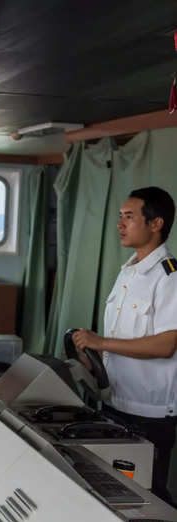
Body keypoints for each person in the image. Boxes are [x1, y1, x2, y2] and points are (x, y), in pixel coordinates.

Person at [72, 186, 177, 504]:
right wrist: (95, 358)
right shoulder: (128, 272)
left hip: (150, 413)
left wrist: (100, 341)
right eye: (119, 217)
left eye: (129, 217)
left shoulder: (169, 276)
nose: (120, 224)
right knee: (116, 495)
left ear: (156, 223)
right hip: (115, 402)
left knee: (148, 497)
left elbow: (166, 345)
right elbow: (123, 341)